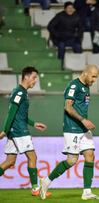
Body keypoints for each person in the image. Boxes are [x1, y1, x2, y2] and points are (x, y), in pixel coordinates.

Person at [39, 65, 99, 200]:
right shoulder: (74, 86)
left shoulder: (86, 87)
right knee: (72, 160)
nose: (94, 80)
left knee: (90, 155)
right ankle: (46, 180)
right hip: (72, 127)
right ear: (85, 73)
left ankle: (87, 192)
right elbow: (68, 107)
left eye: (96, 77)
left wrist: (84, 123)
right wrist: (83, 120)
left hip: (83, 128)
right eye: (93, 76)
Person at [0, 66, 50, 197]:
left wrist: (34, 123)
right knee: (32, 157)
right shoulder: (19, 92)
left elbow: (20, 115)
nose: (35, 81)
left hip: (16, 130)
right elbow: (11, 113)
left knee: (9, 161)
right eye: (34, 78)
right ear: (26, 77)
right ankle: (35, 189)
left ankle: (35, 188)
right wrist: (4, 131)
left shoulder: (22, 92)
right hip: (19, 131)